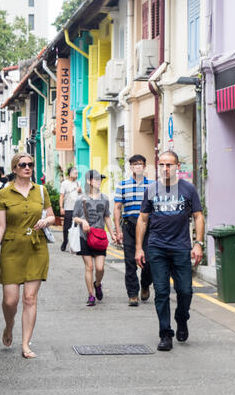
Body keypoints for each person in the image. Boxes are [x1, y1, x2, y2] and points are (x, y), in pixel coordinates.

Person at [135, 150, 205, 351]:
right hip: (157, 247)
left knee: (185, 291)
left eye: (169, 165)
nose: (165, 169)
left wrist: (198, 243)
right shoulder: (151, 190)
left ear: (177, 167)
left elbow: (198, 216)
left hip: (181, 247)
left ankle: (182, 318)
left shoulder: (188, 189)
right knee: (162, 292)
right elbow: (143, 219)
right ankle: (165, 334)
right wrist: (139, 248)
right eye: (162, 165)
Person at [0, 152, 55, 359]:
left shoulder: (41, 191)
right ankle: (9, 326)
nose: (28, 167)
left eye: (30, 164)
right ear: (15, 168)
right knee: (10, 301)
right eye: (23, 164)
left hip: (36, 248)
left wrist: (46, 221)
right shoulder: (4, 193)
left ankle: (25, 344)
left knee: (29, 298)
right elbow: (0, 225)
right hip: (11, 248)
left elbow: (52, 216)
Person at [114, 154, 153, 306]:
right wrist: (118, 230)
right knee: (130, 261)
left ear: (144, 166)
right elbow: (117, 208)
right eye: (135, 164)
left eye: (140, 164)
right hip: (129, 225)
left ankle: (145, 284)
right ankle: (132, 294)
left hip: (148, 227)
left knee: (149, 260)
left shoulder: (152, 185)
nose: (138, 166)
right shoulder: (122, 185)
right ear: (130, 167)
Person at [73, 170, 116, 306]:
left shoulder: (105, 198)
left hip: (99, 238)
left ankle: (97, 284)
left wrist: (113, 233)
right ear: (89, 181)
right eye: (96, 179)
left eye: (100, 179)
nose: (98, 181)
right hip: (84, 237)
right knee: (89, 267)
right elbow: (74, 217)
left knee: (100, 268)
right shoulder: (81, 199)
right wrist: (83, 222)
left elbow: (107, 216)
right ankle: (91, 295)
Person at [59, 167, 82, 251]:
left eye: (77, 173)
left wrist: (80, 190)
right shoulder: (65, 183)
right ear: (70, 174)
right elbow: (61, 196)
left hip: (77, 209)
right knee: (66, 228)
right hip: (68, 208)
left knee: (77, 228)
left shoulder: (78, 183)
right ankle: (65, 241)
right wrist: (61, 207)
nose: (76, 174)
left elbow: (81, 194)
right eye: (75, 173)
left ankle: (75, 244)